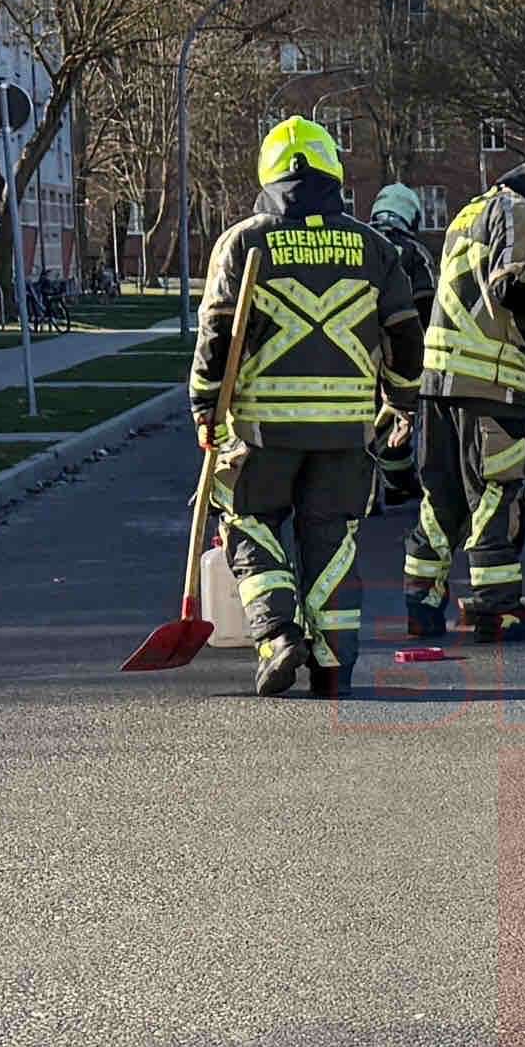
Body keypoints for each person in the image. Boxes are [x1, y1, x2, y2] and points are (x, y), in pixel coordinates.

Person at [187, 116, 392, 697]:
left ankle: (277, 635)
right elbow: (404, 331)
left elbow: (217, 333)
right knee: (333, 539)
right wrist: (401, 401)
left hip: (262, 429)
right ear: (334, 171)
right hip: (346, 431)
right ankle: (334, 667)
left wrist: (204, 405)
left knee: (248, 522)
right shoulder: (373, 247)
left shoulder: (243, 242)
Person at [411, 133, 525, 643]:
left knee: (443, 496)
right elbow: (510, 289)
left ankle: (420, 603)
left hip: (440, 381)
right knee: (495, 492)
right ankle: (497, 610)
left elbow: (478, 311)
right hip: (487, 389)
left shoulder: (470, 211)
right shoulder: (521, 212)